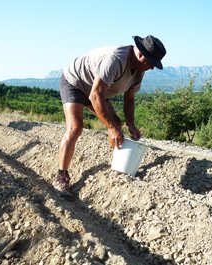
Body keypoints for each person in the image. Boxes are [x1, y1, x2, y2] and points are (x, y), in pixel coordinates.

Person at [54, 35, 166, 197]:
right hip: (76, 82)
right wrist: (111, 128)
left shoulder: (139, 71)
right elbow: (95, 95)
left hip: (96, 90)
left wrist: (131, 125)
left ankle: (117, 166)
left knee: (116, 123)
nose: (152, 68)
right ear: (142, 55)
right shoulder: (115, 59)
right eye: (151, 63)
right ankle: (61, 176)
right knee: (76, 127)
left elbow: (129, 99)